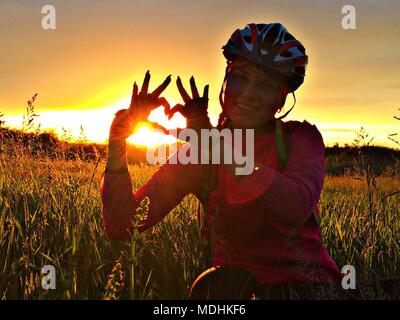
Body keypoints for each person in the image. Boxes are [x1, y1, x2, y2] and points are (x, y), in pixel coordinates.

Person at [100, 22, 345, 299]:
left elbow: (294, 206)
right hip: (234, 290)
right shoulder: (200, 156)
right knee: (214, 288)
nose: (249, 92)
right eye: (241, 77)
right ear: (226, 79)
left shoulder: (300, 138)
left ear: (282, 99)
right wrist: (117, 143)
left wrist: (218, 147)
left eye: (266, 84)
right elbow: (122, 225)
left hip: (310, 290)